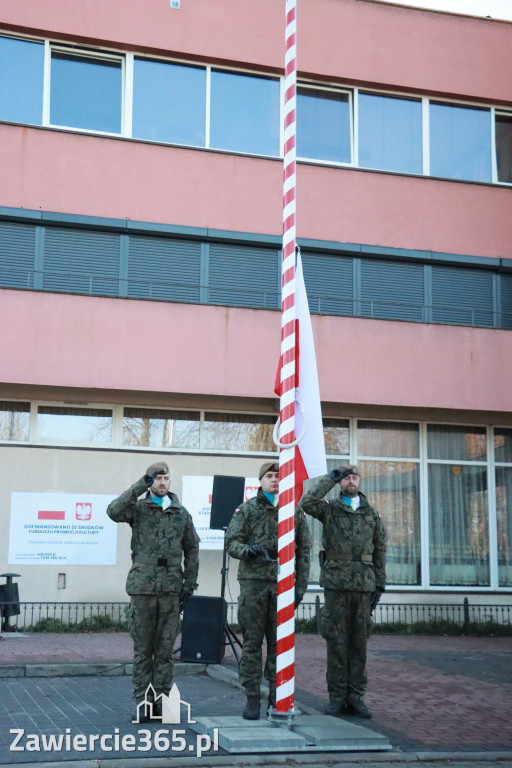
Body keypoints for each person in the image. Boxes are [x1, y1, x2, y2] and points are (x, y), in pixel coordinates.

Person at [107, 461, 199, 721]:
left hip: (171, 589)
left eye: (165, 478)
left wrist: (189, 584)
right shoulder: (138, 509)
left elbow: (192, 549)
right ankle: (142, 702)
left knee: (165, 651)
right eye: (156, 478)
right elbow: (113, 511)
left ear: (170, 482)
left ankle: (161, 701)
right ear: (151, 481)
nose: (161, 483)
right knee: (142, 650)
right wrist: (139, 485)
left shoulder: (181, 513)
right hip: (144, 588)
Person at [297, 465, 386, 719]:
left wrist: (380, 583)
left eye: (354, 477)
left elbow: (380, 549)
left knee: (359, 644)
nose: (350, 481)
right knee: (336, 642)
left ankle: (356, 697)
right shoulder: (330, 508)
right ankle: (336, 698)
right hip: (336, 584)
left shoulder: (372, 513)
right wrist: (328, 479)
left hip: (363, 585)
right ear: (340, 482)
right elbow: (306, 502)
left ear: (359, 481)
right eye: (346, 478)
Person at [225, 461, 311, 720]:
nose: (275, 480)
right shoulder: (247, 510)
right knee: (252, 643)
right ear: (261, 480)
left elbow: (303, 551)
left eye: (279, 476)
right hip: (254, 585)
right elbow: (231, 542)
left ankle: (277, 696)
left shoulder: (293, 511)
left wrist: (300, 589)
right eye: (270, 476)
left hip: (283, 587)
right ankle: (252, 697)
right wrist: (247, 551)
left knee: (279, 645)